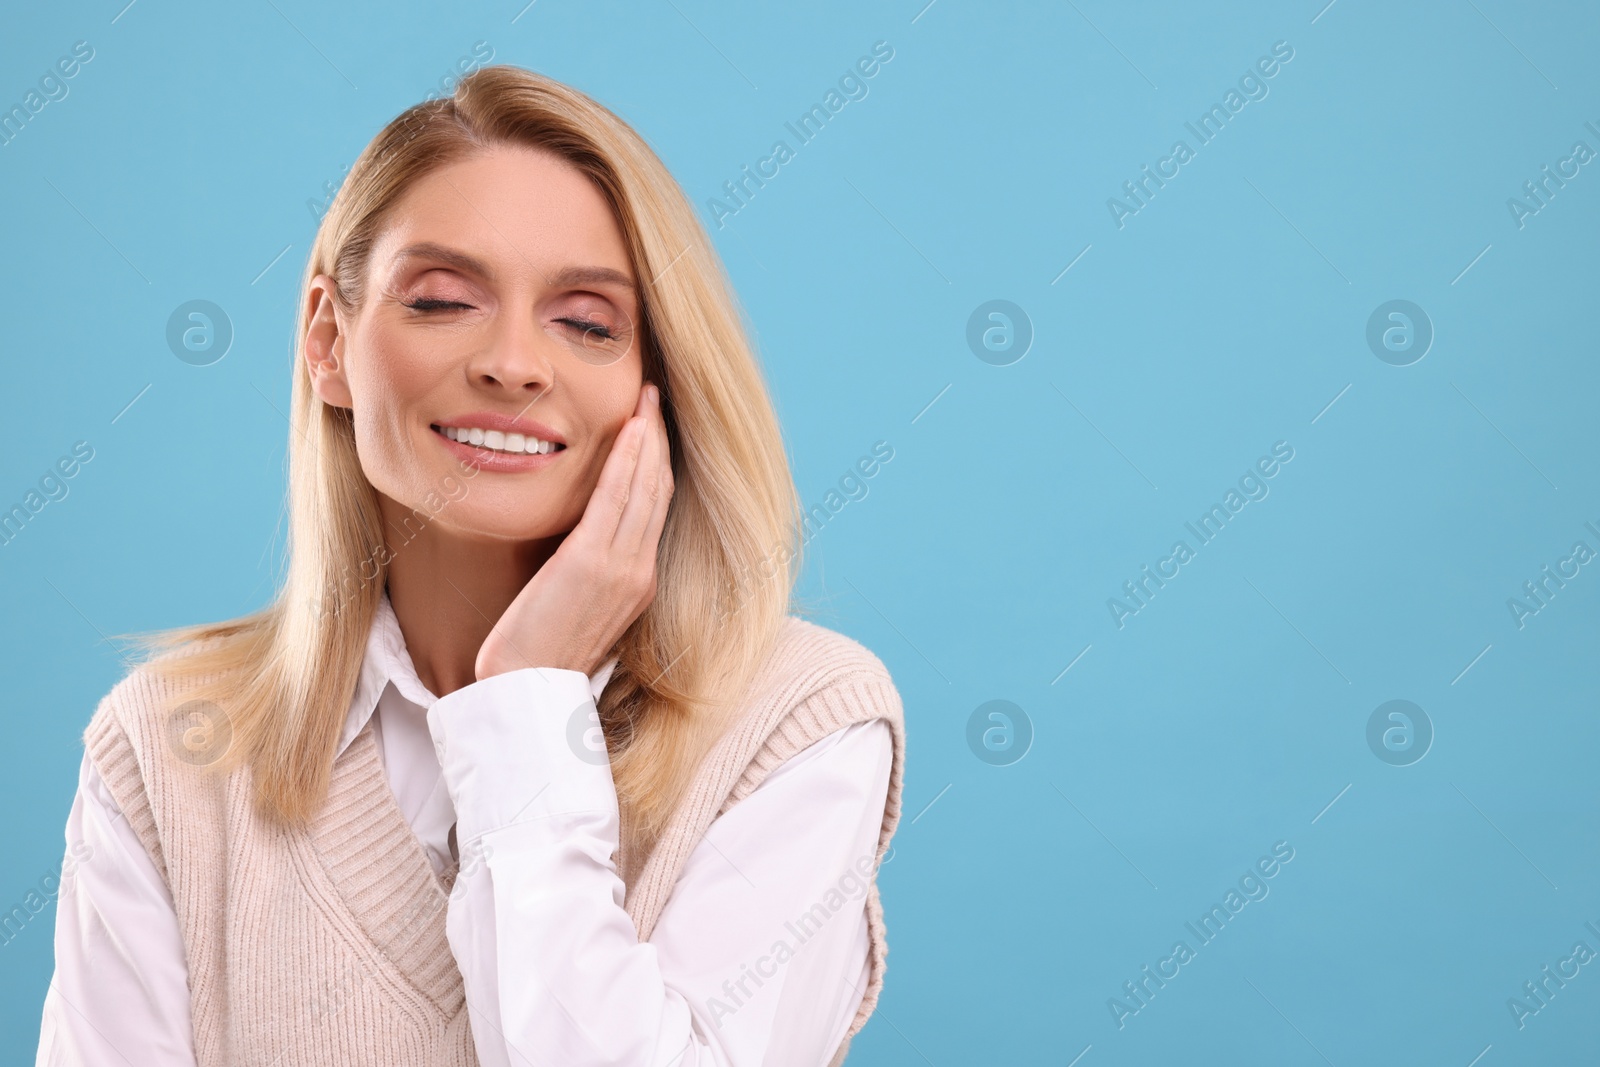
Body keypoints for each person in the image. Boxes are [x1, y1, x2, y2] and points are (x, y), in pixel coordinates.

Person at [36, 64, 905, 1067]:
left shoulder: (800, 724)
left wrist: (528, 704)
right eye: (445, 300)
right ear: (328, 338)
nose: (514, 363)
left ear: (653, 384)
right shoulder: (169, 747)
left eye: (586, 323)